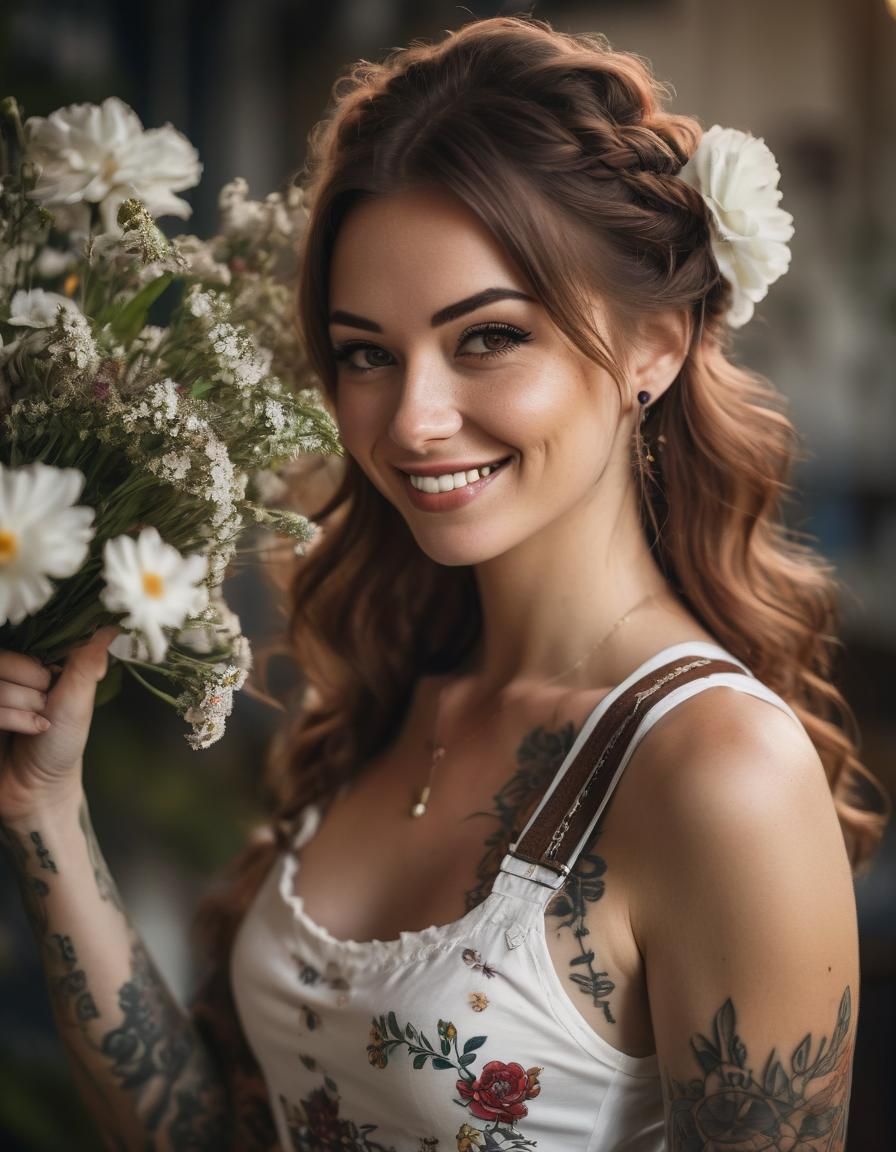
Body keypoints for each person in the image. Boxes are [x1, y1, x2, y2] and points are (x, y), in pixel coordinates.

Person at [0, 14, 888, 1152]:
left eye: (486, 338)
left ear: (656, 343)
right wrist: (45, 819)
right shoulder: (390, 695)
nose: (411, 422)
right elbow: (214, 1132)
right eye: (366, 352)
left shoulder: (718, 774)